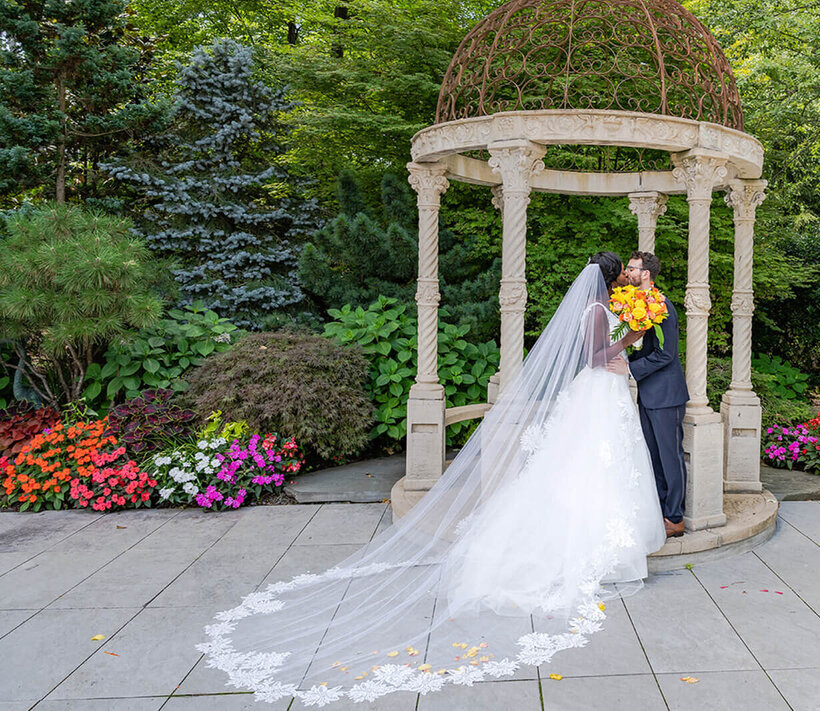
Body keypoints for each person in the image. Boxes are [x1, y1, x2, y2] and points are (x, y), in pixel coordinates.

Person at [197, 254, 665, 705]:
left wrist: (628, 331)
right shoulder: (600, 309)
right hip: (599, 390)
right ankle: (593, 548)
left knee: (584, 463)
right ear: (609, 279)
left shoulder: (594, 306)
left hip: (599, 394)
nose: (627, 277)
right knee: (594, 463)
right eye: (621, 273)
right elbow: (595, 355)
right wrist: (633, 335)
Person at [622, 251, 689, 538]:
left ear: (645, 273)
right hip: (648, 394)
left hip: (666, 395)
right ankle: (660, 510)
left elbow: (667, 354)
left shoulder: (663, 307)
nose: (627, 272)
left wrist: (628, 368)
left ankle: (675, 517)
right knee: (653, 456)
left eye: (631, 268)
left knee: (670, 457)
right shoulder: (638, 304)